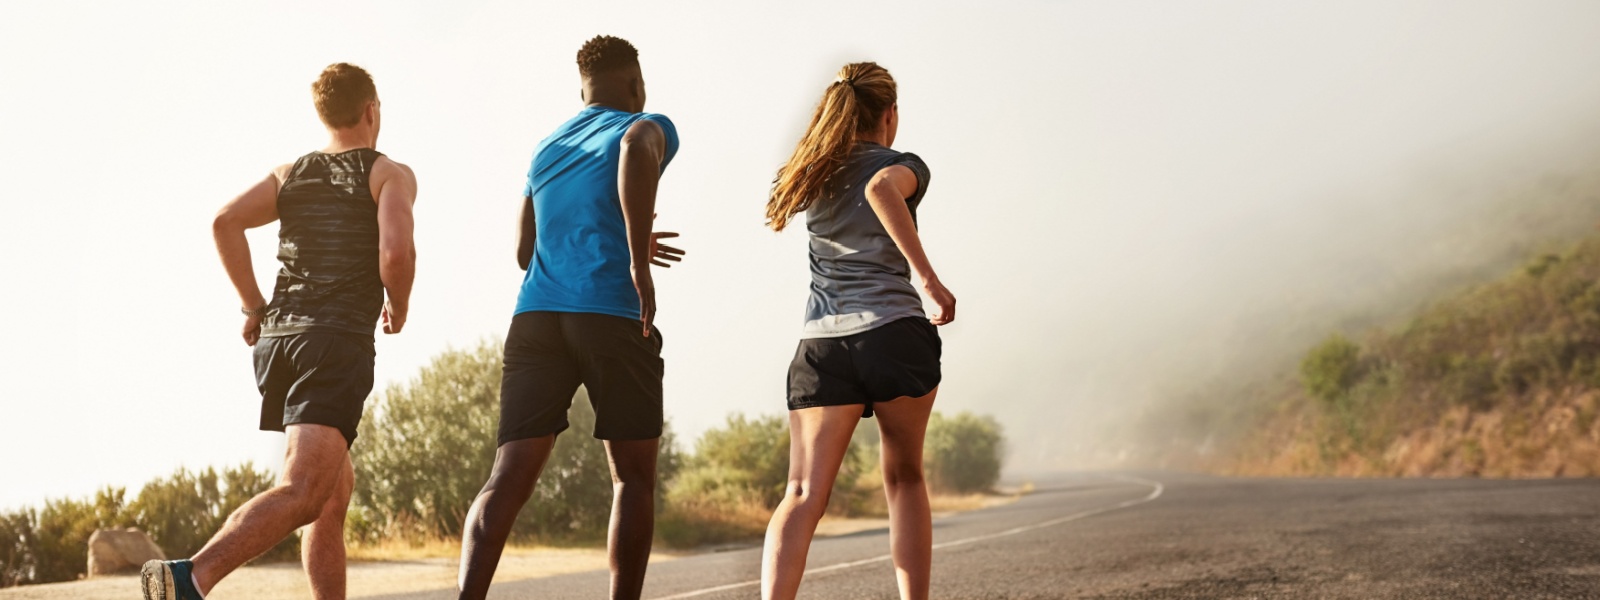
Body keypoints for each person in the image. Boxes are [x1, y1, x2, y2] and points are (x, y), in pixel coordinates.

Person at [142, 63, 418, 600]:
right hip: (332, 343)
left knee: (332, 494)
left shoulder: (289, 173)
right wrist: (399, 303)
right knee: (306, 490)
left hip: (279, 343)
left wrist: (253, 306)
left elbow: (225, 222)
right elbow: (396, 251)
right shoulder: (388, 173)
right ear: (372, 110)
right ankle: (189, 579)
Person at [455, 35, 684, 600]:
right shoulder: (647, 121)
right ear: (635, 82)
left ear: (581, 87)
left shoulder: (547, 147)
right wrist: (635, 256)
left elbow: (523, 252)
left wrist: (613, 233)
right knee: (631, 478)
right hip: (606, 312)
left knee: (506, 477)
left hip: (536, 317)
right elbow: (636, 147)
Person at [759, 62, 956, 600]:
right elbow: (880, 188)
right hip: (893, 334)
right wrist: (928, 279)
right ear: (889, 115)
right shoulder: (901, 164)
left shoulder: (812, 171)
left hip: (822, 345)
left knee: (801, 493)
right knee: (904, 479)